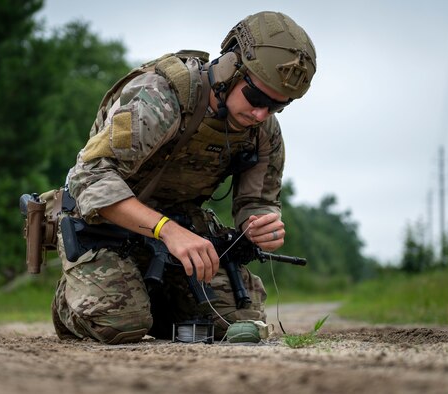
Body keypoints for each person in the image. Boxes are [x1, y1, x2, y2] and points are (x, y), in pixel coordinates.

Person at [51, 11, 317, 344]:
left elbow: (258, 200)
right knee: (118, 323)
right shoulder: (162, 97)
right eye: (257, 98)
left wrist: (261, 223)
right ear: (230, 69)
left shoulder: (262, 131)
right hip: (104, 227)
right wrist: (166, 230)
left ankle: (153, 300)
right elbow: (88, 178)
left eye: (278, 106)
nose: (261, 113)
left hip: (181, 234)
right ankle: (72, 305)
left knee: (238, 324)